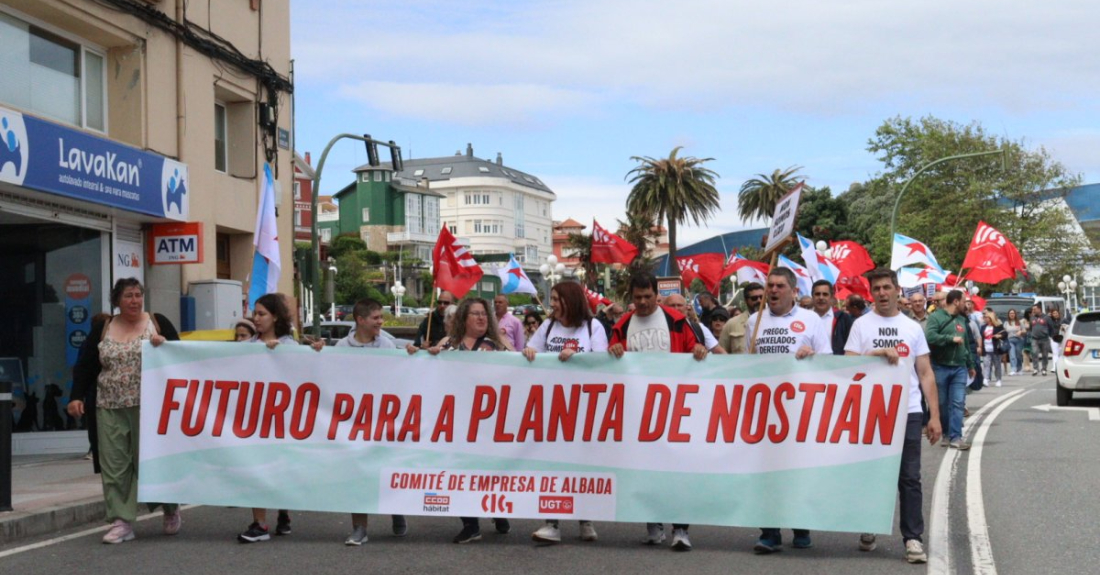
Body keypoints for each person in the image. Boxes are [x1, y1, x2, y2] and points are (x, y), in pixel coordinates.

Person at [68, 278, 181, 544]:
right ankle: (121, 521)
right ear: (117, 300)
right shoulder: (103, 327)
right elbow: (85, 365)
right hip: (108, 405)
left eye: (138, 295)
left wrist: (165, 346)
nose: (134, 300)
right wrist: (75, 396)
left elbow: (181, 358)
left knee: (153, 461)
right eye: (128, 296)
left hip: (151, 408)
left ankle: (170, 506)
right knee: (115, 465)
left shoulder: (158, 321)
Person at [845, 268, 942, 564]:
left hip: (909, 411)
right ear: (871, 293)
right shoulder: (861, 325)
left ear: (897, 290)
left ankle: (913, 538)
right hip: (871, 411)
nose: (882, 293)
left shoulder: (912, 328)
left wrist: (934, 416)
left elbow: (925, 373)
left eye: (887, 287)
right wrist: (876, 354)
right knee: (872, 472)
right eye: (876, 289)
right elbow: (848, 366)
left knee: (909, 477)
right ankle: (870, 525)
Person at [608, 271, 704, 551]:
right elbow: (611, 362)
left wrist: (698, 350)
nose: (643, 303)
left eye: (647, 297)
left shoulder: (676, 321)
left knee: (677, 470)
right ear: (631, 297)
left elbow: (694, 349)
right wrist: (612, 349)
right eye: (637, 298)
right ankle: (653, 525)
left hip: (674, 408)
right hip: (639, 410)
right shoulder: (622, 326)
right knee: (644, 468)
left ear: (656, 294)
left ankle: (681, 529)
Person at [745, 268, 831, 555]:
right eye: (770, 285)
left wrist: (812, 356)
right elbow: (748, 363)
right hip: (764, 410)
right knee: (767, 472)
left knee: (798, 468)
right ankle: (769, 532)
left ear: (793, 290)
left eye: (780, 285)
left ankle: (800, 526)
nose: (773, 290)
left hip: (800, 410)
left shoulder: (811, 320)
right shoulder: (754, 322)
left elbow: (829, 361)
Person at [413, 298, 511, 543]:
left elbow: (520, 368)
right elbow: (430, 371)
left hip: (489, 420)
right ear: (463, 319)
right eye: (475, 314)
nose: (481, 318)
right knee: (462, 471)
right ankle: (470, 524)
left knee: (491, 470)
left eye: (484, 314)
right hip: (458, 422)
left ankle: (496, 510)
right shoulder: (450, 345)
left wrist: (529, 355)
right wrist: (424, 354)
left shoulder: (498, 345)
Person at [523, 282, 607, 544]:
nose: (554, 304)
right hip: (552, 407)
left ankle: (585, 519)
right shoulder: (548, 326)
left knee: (583, 465)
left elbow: (602, 362)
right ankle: (553, 523)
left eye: (558, 299)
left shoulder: (593, 327)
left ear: (571, 300)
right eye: (553, 299)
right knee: (554, 464)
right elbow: (532, 351)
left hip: (584, 408)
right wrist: (527, 352)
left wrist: (579, 356)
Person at [238, 293, 323, 543]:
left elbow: (307, 374)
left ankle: (283, 511)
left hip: (283, 421)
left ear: (275, 316)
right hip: (255, 421)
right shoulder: (248, 347)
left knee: (280, 468)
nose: (257, 318)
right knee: (256, 468)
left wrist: (313, 351)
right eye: (255, 313)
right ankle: (260, 523)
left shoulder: (290, 345)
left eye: (262, 313)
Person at [337, 298, 407, 545]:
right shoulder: (341, 346)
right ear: (360, 320)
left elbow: (399, 377)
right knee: (356, 473)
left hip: (383, 420)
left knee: (388, 469)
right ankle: (359, 528)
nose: (381, 322)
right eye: (376, 318)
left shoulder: (386, 345)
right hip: (354, 422)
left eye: (381, 317)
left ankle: (396, 510)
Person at [925, 290, 976, 450]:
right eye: (963, 301)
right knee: (942, 403)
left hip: (959, 367)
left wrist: (970, 365)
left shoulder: (962, 319)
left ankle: (956, 437)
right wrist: (949, 339)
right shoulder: (936, 317)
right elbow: (930, 337)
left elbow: (966, 344)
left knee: (958, 402)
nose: (965, 304)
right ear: (955, 302)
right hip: (940, 366)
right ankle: (946, 433)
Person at [810, 279, 853, 356]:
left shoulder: (844, 319)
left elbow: (851, 347)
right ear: (812, 296)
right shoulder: (804, 319)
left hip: (836, 366)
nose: (821, 297)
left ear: (832, 297)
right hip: (809, 365)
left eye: (825, 294)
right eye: (817, 294)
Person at [719, 282, 764, 354]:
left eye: (762, 297)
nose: (759, 300)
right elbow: (721, 354)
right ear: (746, 300)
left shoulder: (775, 321)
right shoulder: (732, 324)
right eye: (754, 298)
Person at [980, 311, 1006, 387]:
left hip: (995, 349)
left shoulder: (998, 326)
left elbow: (1005, 334)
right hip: (986, 348)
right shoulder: (983, 327)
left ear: (990, 318)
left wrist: (999, 336)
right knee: (986, 364)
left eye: (986, 317)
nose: (984, 319)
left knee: (997, 365)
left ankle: (998, 379)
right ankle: (986, 379)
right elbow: (981, 337)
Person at [1028, 304, 1053, 376]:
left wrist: (1049, 335)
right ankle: (1036, 368)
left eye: (1035, 309)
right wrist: (1031, 334)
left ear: (1039, 309)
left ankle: (1044, 369)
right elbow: (1030, 327)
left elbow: (1051, 327)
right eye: (1033, 309)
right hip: (1035, 339)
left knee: (1045, 355)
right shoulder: (1032, 318)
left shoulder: (1046, 317)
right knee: (1034, 353)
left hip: (1044, 339)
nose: (1033, 311)